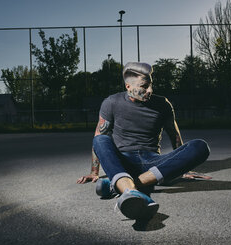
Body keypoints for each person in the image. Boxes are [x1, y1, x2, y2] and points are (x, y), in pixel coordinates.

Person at [77, 62, 211, 220]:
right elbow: (99, 135)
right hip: (122, 160)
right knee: (100, 139)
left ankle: (122, 186)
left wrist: (182, 168)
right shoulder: (112, 102)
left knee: (200, 146)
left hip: (152, 161)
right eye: (144, 86)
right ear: (128, 86)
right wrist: (94, 172)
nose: (150, 91)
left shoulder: (163, 104)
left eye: (151, 85)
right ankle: (130, 186)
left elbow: (174, 135)